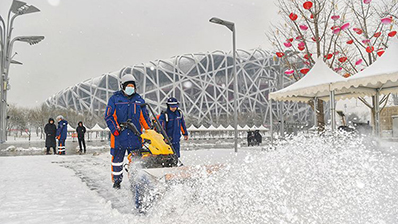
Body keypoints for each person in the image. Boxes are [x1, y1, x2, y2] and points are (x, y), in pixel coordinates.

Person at [104, 74, 151, 189]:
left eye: (132, 86)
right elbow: (109, 116)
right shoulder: (115, 99)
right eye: (128, 86)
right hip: (119, 136)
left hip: (135, 136)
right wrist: (115, 129)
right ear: (123, 86)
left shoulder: (139, 100)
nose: (131, 88)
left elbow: (144, 118)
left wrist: (149, 132)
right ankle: (117, 181)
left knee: (136, 160)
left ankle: (135, 181)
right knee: (117, 161)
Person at [158, 97, 188, 161]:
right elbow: (162, 128)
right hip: (168, 139)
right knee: (168, 155)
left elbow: (182, 125)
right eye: (172, 107)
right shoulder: (165, 115)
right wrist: (164, 137)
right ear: (168, 106)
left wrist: (185, 134)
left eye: (175, 106)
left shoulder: (179, 114)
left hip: (176, 138)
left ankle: (176, 162)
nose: (173, 108)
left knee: (176, 154)